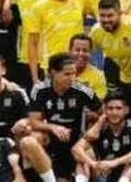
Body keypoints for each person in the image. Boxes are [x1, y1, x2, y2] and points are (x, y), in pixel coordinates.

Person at [29, 52, 102, 180]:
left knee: (86, 151)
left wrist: (92, 127)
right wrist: (53, 128)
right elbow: (34, 122)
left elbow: (104, 113)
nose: (72, 78)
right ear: (53, 73)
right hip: (50, 139)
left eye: (74, 73)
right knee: (31, 139)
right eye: (67, 74)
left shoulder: (83, 91)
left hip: (76, 139)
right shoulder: (39, 90)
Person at [28, 0, 86, 86]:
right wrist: (34, 77)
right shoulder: (40, 7)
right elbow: (32, 43)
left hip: (79, 67)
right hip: (53, 68)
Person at [72, 92, 131, 182]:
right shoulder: (100, 129)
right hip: (103, 173)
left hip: (127, 174)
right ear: (105, 111)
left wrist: (114, 162)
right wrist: (94, 164)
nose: (114, 112)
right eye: (110, 108)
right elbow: (76, 149)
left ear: (126, 110)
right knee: (82, 158)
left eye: (118, 108)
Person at [70, 34, 108, 99]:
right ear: (70, 51)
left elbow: (98, 103)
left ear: (91, 53)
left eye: (85, 50)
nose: (81, 54)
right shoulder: (59, 72)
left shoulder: (99, 77)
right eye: (77, 50)